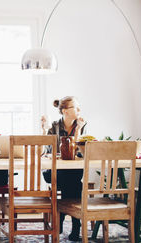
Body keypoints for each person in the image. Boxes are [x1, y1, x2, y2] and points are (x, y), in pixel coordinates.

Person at [41, 96, 86, 241]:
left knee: (71, 179)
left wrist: (78, 130)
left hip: (72, 172)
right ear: (65, 111)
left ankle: (59, 219)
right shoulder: (54, 126)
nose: (79, 110)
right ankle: (75, 225)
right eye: (76, 107)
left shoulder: (82, 125)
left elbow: (79, 152)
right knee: (74, 183)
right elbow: (46, 150)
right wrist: (43, 130)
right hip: (54, 172)